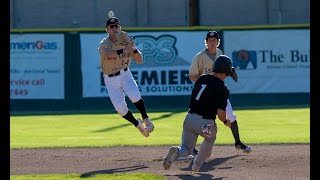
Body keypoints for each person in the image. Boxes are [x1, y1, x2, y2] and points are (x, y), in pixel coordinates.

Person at [163, 55, 234, 172]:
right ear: (226, 71)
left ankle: (177, 151)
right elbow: (221, 114)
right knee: (211, 138)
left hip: (189, 119)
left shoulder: (202, 78)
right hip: (205, 123)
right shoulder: (223, 89)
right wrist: (226, 121)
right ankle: (197, 164)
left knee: (187, 149)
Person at [188, 31, 251, 153]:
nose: (212, 42)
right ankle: (191, 148)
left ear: (218, 42)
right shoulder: (199, 57)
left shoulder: (220, 53)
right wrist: (204, 86)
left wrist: (230, 70)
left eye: (214, 40)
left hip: (218, 92)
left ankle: (238, 142)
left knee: (231, 115)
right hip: (205, 95)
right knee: (196, 117)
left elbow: (223, 67)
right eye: (210, 40)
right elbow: (192, 75)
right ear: (206, 42)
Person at [98, 12, 154, 137]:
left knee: (135, 95)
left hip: (125, 73)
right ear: (107, 30)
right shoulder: (104, 43)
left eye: (116, 26)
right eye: (111, 27)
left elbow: (139, 61)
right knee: (120, 109)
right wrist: (124, 50)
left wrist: (133, 48)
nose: (114, 28)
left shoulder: (126, 39)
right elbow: (107, 54)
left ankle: (145, 118)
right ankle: (137, 124)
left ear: (120, 27)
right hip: (110, 79)